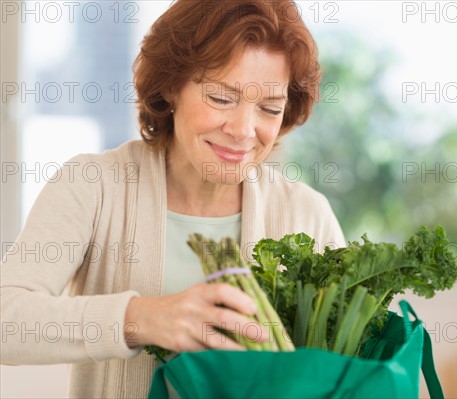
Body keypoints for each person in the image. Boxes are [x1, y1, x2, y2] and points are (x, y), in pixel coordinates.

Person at [0, 1, 345, 397]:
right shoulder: (92, 185)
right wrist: (141, 318)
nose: (244, 130)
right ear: (170, 86)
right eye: (221, 98)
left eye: (269, 108)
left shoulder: (305, 213)